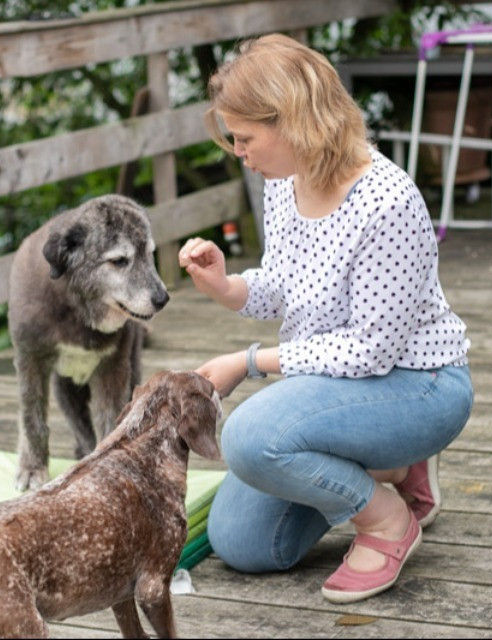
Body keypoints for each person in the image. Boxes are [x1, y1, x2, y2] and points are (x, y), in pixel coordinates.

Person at [178, 33, 473, 604]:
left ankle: (387, 518)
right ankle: (388, 467)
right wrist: (227, 285)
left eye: (245, 138)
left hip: (419, 384)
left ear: (291, 121)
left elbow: (371, 351)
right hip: (336, 384)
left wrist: (248, 363)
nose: (239, 151)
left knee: (249, 435)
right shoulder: (283, 184)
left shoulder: (387, 202)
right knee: (242, 542)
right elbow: (286, 287)